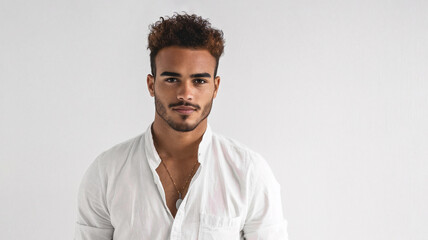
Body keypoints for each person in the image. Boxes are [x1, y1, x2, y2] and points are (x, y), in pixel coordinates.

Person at [75, 13, 288, 240]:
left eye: (199, 81)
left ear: (215, 87)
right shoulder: (107, 173)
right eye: (171, 79)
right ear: (151, 84)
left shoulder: (249, 173)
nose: (185, 93)